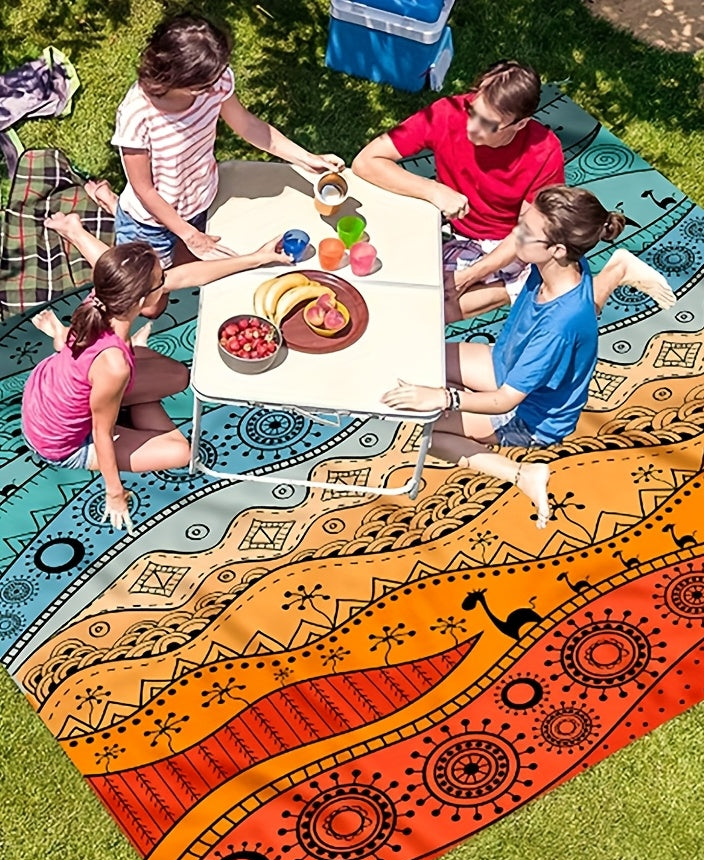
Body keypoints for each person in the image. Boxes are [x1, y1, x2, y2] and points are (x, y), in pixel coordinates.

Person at [381, 185, 669, 529]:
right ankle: (616, 270)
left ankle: (522, 473)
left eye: (526, 231)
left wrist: (444, 398)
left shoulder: (559, 327)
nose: (515, 234)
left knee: (426, 427)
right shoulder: (563, 264)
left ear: (556, 249)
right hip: (506, 363)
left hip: (530, 415)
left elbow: (505, 401)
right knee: (419, 361)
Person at [21, 212, 291, 533]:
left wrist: (257, 258)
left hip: (49, 390)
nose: (167, 280)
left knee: (178, 376)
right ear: (141, 299)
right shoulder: (114, 365)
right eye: (161, 279)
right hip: (62, 442)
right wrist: (115, 494)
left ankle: (103, 366)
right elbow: (101, 433)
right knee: (180, 451)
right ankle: (119, 385)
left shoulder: (102, 298)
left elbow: (186, 276)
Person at [111, 13, 344, 267]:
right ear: (177, 79)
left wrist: (306, 158)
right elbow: (144, 189)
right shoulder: (137, 114)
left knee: (188, 268)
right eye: (206, 84)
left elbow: (247, 125)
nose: (216, 87)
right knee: (154, 291)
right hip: (150, 224)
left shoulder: (215, 80)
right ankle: (110, 205)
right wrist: (189, 235)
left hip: (201, 202)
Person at [353, 60, 566, 322]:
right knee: (382, 273)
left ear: (520, 124)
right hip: (449, 225)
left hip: (505, 244)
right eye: (472, 110)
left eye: (488, 124)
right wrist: (434, 190)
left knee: (422, 312)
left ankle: (509, 287)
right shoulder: (447, 112)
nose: (471, 127)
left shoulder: (544, 152)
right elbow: (365, 161)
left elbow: (529, 233)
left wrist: (470, 275)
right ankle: (516, 286)